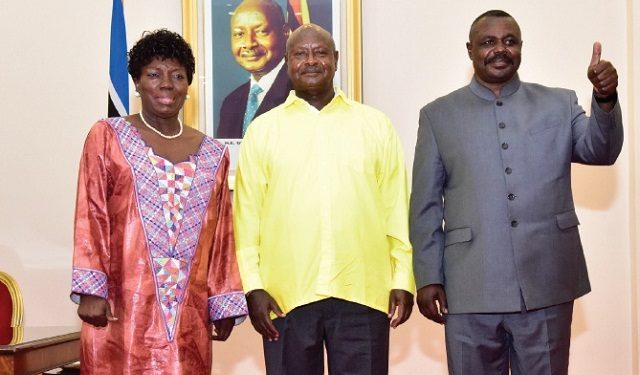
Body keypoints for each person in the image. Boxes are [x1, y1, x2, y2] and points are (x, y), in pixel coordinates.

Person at [410, 9, 623, 375]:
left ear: (521, 47)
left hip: (547, 283)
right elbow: (426, 205)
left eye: (509, 41)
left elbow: (600, 151)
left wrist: (605, 99)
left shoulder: (559, 103)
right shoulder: (438, 115)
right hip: (469, 285)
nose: (499, 49)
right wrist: (428, 276)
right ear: (470, 50)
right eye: (488, 42)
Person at [233, 24, 414, 375]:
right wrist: (253, 287)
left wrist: (402, 279)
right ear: (288, 63)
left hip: (363, 293)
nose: (311, 61)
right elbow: (247, 218)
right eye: (301, 54)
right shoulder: (263, 131)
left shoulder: (375, 126)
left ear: (335, 60)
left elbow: (396, 208)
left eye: (320, 53)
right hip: (285, 297)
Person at [70, 29, 248, 374]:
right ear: (137, 83)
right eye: (154, 74)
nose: (167, 84)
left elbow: (223, 232)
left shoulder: (214, 153)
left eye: (177, 75)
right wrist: (91, 287)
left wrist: (223, 301)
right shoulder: (107, 136)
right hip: (120, 309)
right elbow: (90, 212)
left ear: (187, 86)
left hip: (188, 314)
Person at [217, 0, 293, 138]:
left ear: (285, 33)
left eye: (261, 31)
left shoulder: (301, 93)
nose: (249, 43)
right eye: (239, 34)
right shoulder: (231, 102)